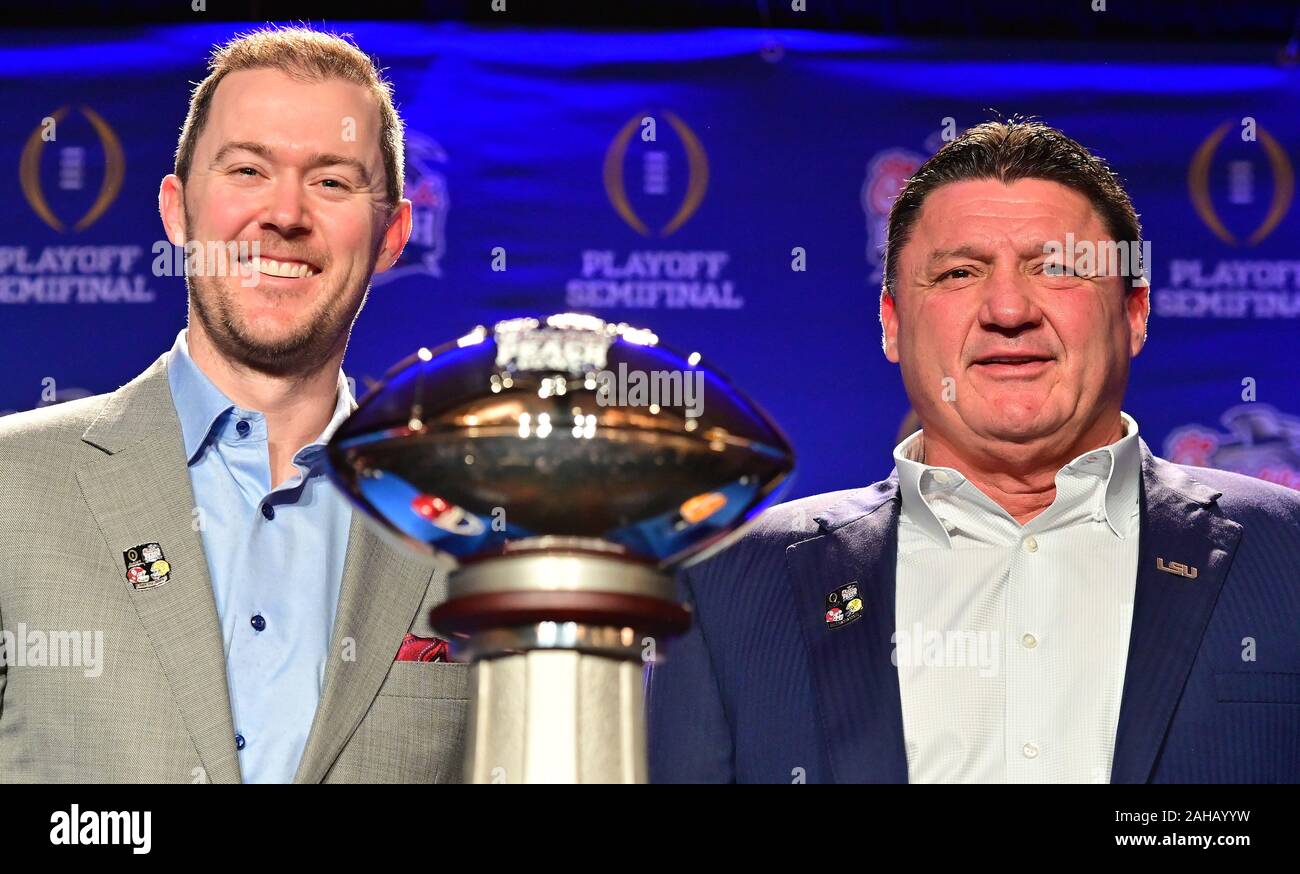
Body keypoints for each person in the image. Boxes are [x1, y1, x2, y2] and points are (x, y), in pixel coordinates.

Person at [647, 119, 1300, 783]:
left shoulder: (1288, 552)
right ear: (892, 324)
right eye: (960, 272)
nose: (1008, 309)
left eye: (1058, 269)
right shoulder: (729, 584)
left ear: (1134, 314)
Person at [0, 26, 467, 783]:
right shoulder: (9, 486)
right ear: (178, 211)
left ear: (392, 235)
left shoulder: (472, 523)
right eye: (248, 169)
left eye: (333, 181)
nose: (285, 213)